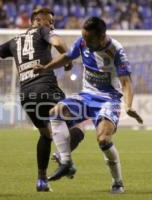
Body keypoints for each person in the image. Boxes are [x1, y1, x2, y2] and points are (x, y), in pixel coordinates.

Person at [0, 8, 84, 192]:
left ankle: (42, 180)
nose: (52, 25)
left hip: (26, 95)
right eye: (49, 21)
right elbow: (58, 41)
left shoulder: (14, 42)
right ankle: (62, 156)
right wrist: (68, 60)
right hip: (46, 89)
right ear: (38, 20)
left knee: (45, 134)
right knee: (78, 127)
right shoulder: (43, 31)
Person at [33, 17, 143, 194]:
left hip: (109, 99)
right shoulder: (83, 42)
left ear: (101, 37)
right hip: (86, 96)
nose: (85, 42)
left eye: (89, 39)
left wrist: (128, 106)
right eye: (83, 37)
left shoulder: (116, 51)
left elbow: (126, 82)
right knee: (55, 112)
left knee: (103, 140)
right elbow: (67, 56)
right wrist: (46, 67)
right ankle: (66, 162)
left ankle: (117, 182)